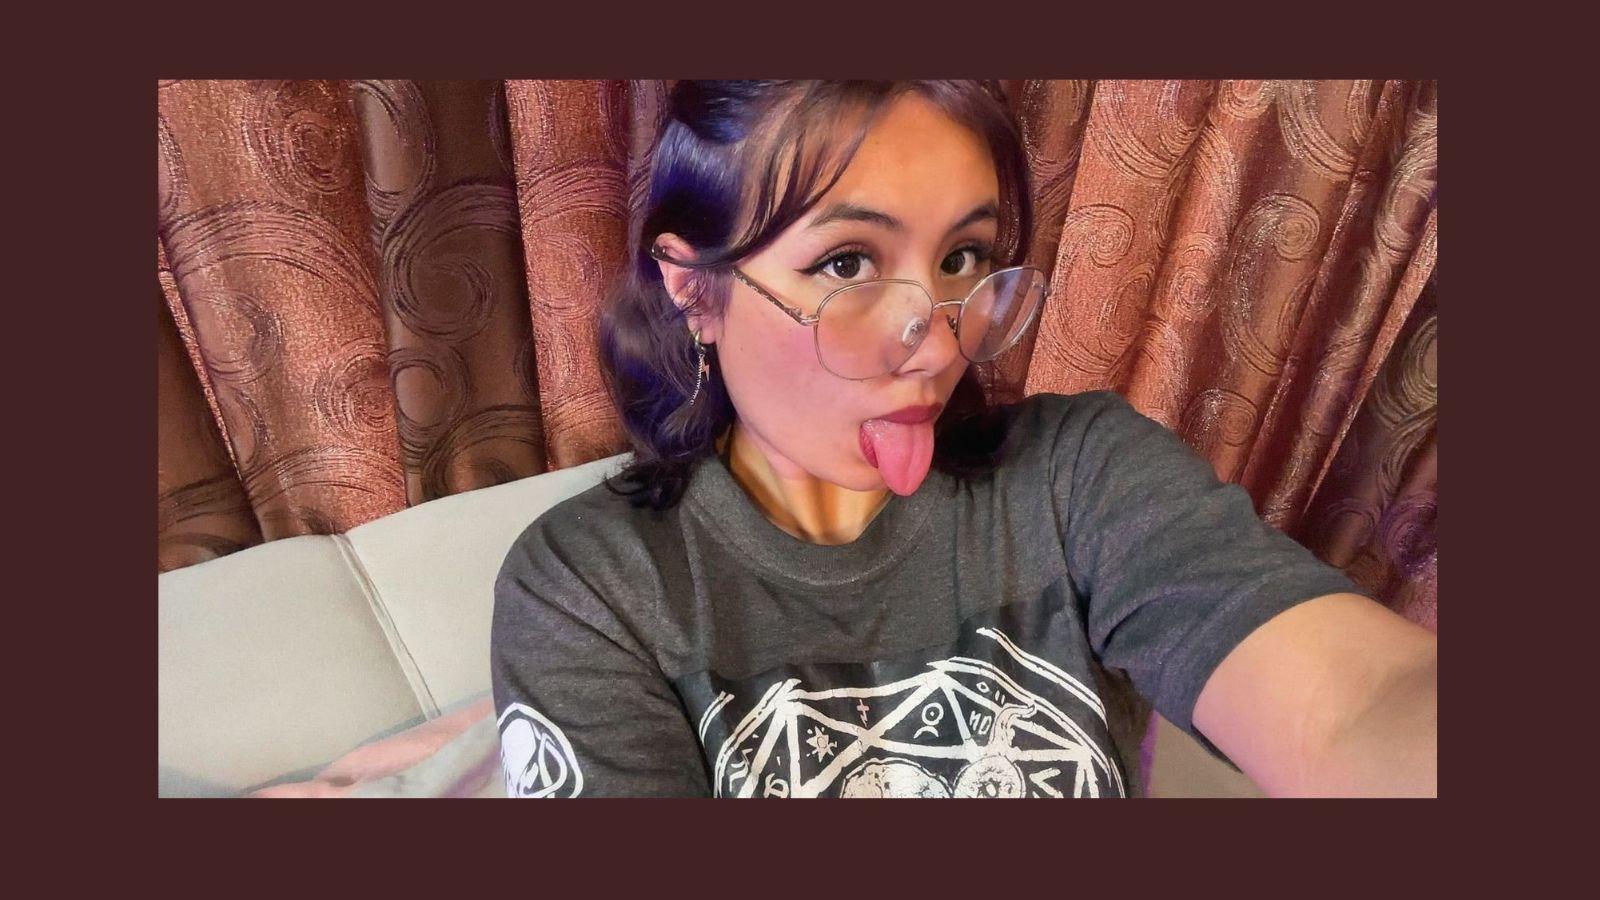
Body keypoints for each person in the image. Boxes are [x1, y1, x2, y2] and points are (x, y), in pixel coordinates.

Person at [490, 80, 1437, 798]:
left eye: (962, 258)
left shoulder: (1078, 476)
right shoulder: (594, 586)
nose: (941, 345)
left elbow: (1353, 707)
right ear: (695, 289)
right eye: (846, 262)